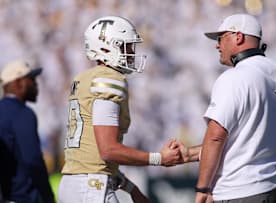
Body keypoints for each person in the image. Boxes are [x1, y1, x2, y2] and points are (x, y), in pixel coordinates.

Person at [58, 16, 182, 203]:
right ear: (107, 46)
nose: (131, 53)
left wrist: (131, 189)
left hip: (74, 184)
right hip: (91, 187)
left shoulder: (83, 78)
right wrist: (159, 158)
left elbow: (93, 154)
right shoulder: (109, 78)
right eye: (126, 46)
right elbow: (108, 150)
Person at [179, 14, 276, 203]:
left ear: (238, 37)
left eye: (221, 38)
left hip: (240, 192)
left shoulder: (234, 77)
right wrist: (189, 154)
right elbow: (245, 142)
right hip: (275, 187)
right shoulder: (275, 74)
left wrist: (203, 187)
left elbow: (216, 137)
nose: (217, 45)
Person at [0, 60, 55, 203]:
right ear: (18, 82)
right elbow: (32, 159)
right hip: (23, 198)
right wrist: (48, 197)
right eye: (31, 79)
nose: (36, 84)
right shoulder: (22, 113)